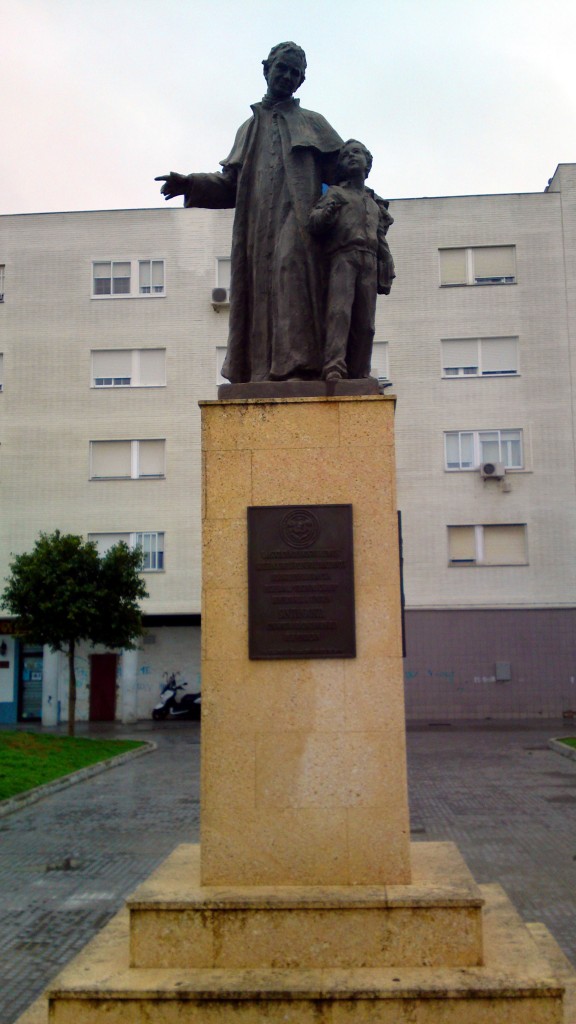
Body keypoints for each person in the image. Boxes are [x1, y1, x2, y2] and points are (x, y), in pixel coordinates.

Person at [156, 42, 343, 383]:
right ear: (266, 68)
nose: (287, 77)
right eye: (282, 68)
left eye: (295, 73)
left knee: (291, 278)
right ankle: (261, 372)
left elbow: (345, 171)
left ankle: (298, 368)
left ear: (301, 81)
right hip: (257, 229)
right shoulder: (248, 128)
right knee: (259, 295)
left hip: (299, 222)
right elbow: (232, 185)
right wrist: (191, 184)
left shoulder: (314, 124)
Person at [308, 139, 395, 380]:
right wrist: (327, 212)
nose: (352, 157)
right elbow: (314, 222)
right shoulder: (336, 193)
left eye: (357, 153)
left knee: (366, 323)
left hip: (369, 259)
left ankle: (360, 372)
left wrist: (386, 263)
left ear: (368, 163)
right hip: (343, 257)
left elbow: (380, 236)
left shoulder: (374, 201)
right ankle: (334, 366)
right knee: (339, 313)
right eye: (347, 155)